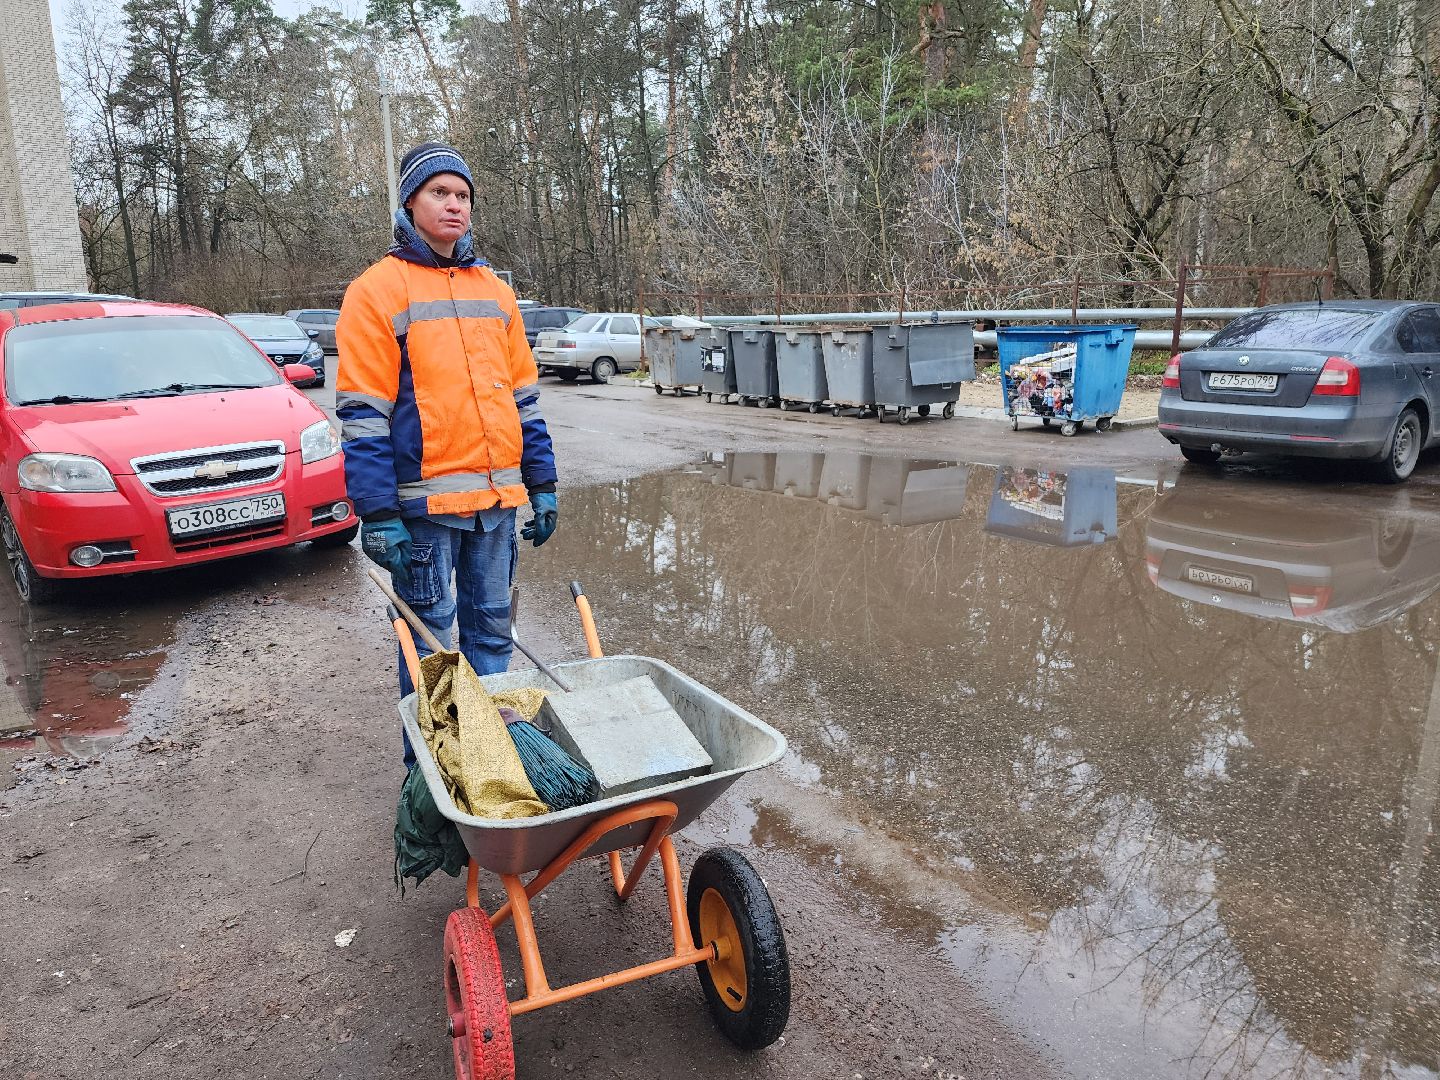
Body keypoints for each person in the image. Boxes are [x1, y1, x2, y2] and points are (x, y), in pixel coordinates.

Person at [335, 142, 558, 761]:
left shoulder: (494, 291)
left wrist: (542, 483)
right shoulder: (377, 291)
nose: (455, 205)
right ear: (410, 201)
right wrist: (377, 514)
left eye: (463, 195)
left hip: (495, 508)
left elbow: (525, 401)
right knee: (431, 650)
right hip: (424, 516)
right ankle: (432, 775)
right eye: (440, 192)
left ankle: (488, 761)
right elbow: (362, 416)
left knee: (492, 637)